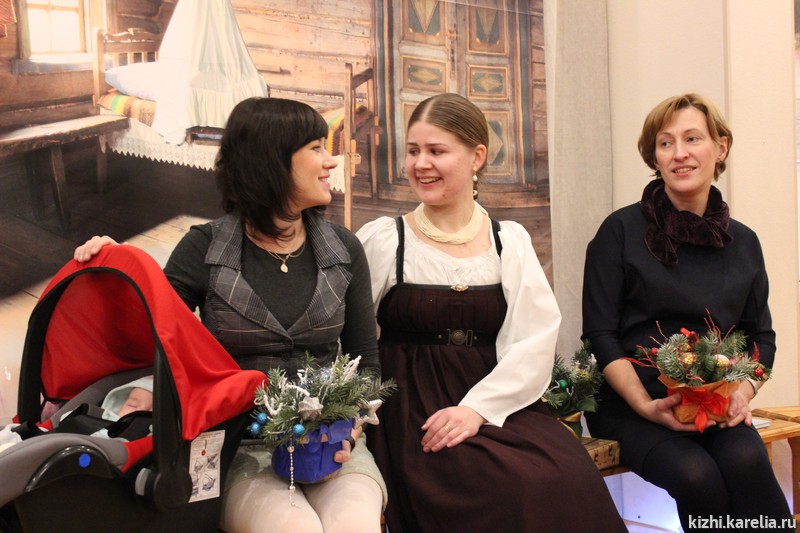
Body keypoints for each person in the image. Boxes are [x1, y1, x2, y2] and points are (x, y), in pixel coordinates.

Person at [74, 97, 386, 533]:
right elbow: (147, 335)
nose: (331, 161)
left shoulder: (344, 248)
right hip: (237, 448)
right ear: (272, 161)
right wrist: (117, 268)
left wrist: (346, 434)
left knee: (355, 524)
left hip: (332, 443)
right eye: (316, 148)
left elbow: (365, 362)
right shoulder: (204, 248)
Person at [356, 93, 626, 532]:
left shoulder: (508, 241)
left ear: (477, 157)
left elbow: (533, 339)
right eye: (413, 150)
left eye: (436, 151)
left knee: (567, 473)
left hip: (497, 400)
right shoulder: (386, 241)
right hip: (414, 409)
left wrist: (477, 409)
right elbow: (350, 337)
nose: (421, 164)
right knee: (509, 486)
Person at [581, 93, 792, 530]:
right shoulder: (618, 232)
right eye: (665, 143)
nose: (679, 153)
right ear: (654, 157)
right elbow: (600, 335)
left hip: (713, 403)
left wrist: (742, 394)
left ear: (721, 147)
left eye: (693, 138)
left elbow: (762, 338)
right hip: (631, 404)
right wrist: (645, 405)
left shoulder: (744, 242)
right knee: (697, 476)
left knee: (748, 461)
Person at [0, 375, 154, 452]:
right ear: (117, 404)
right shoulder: (101, 415)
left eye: (152, 411)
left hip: (73, 450)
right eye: (133, 405)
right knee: (15, 434)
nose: (141, 411)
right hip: (53, 436)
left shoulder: (136, 435)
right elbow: (64, 421)